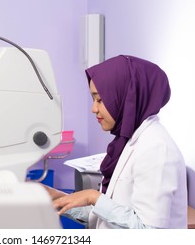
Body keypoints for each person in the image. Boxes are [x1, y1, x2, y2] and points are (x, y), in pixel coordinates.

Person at [46, 55, 187, 229]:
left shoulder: (156, 149)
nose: (93, 108)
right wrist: (55, 197)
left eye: (100, 99)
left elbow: (149, 232)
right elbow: (105, 216)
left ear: (126, 97)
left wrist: (93, 197)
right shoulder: (128, 142)